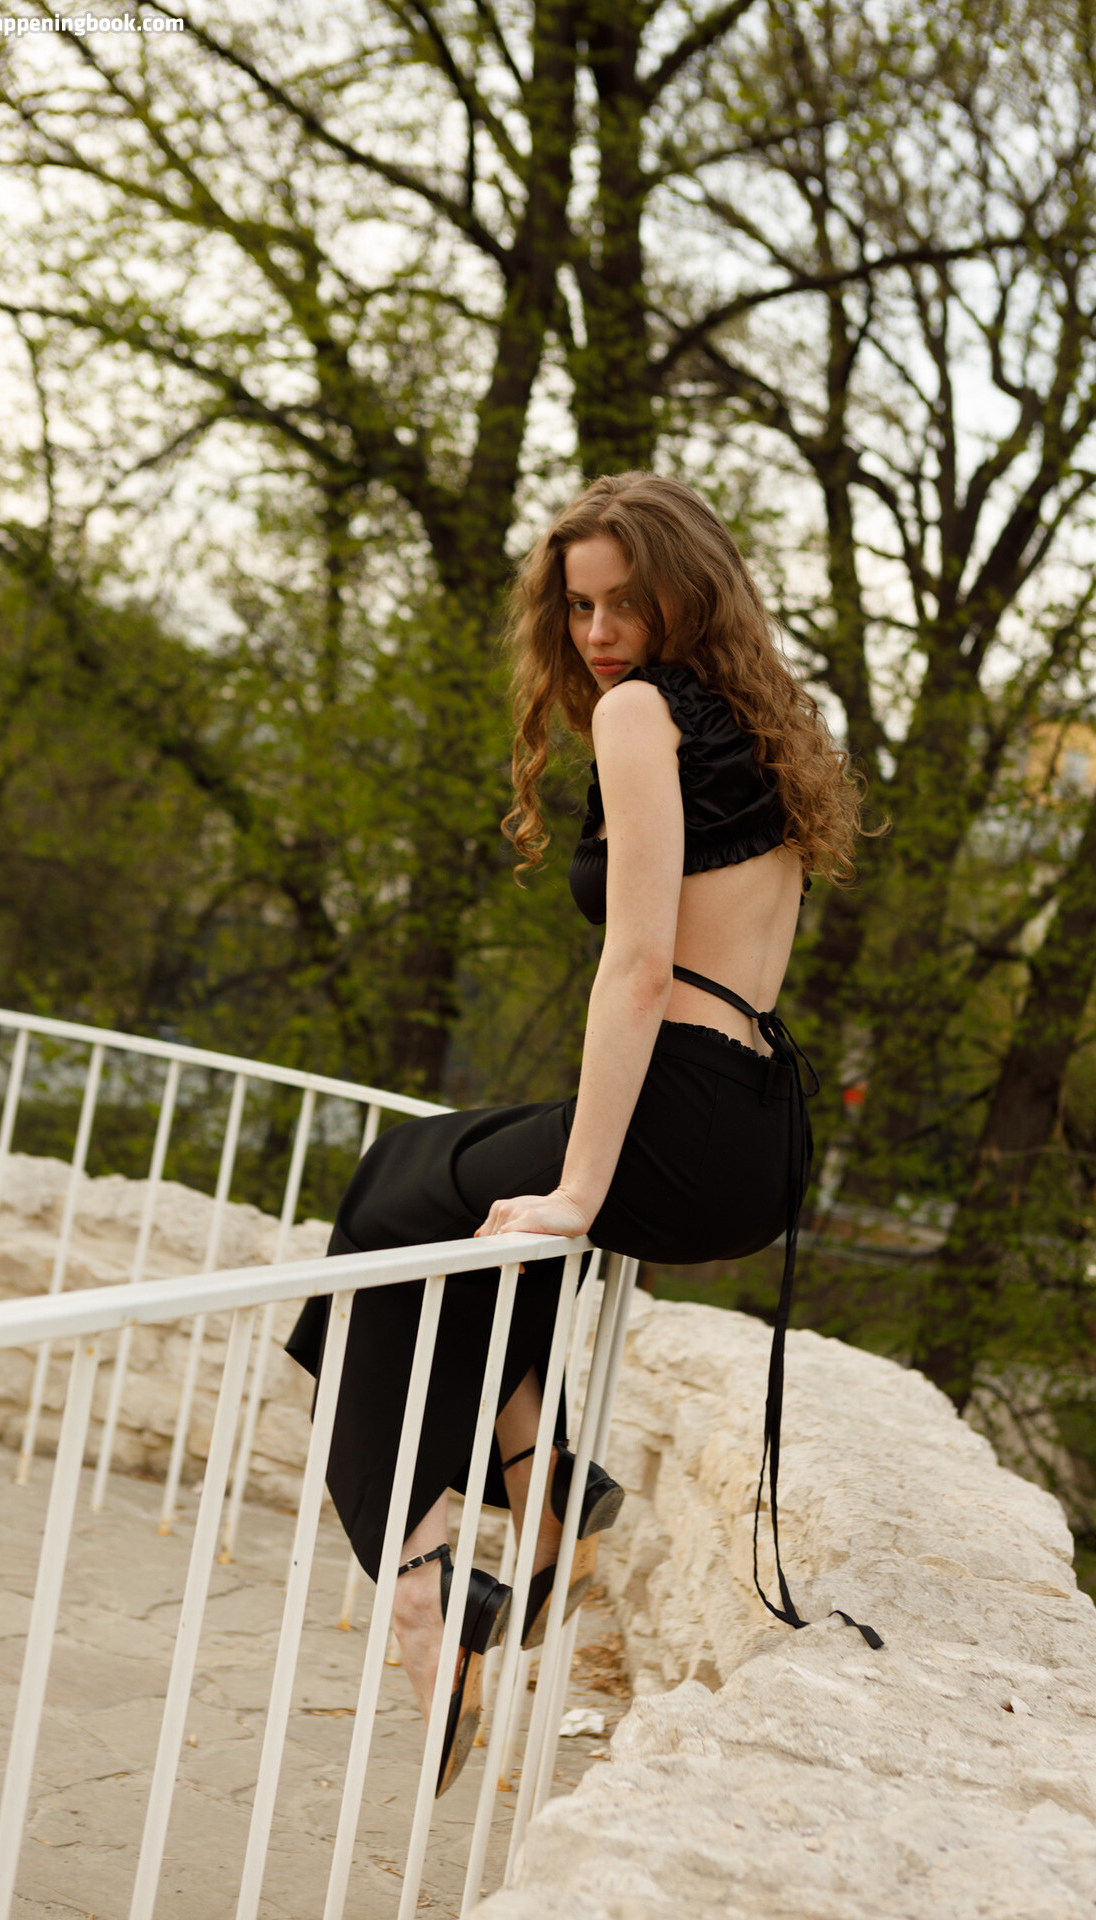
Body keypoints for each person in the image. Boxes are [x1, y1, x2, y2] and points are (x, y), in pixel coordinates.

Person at [287, 471, 862, 1794]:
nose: (598, 633)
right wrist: (569, 1192)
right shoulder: (765, 719)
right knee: (462, 1209)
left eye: (624, 603)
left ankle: (428, 1586)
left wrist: (584, 1188)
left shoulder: (643, 714)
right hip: (761, 1132)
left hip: (681, 1113)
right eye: (579, 606)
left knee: (388, 1196)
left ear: (688, 594)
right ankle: (542, 1483)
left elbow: (640, 969)